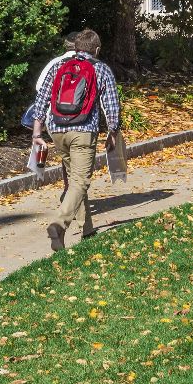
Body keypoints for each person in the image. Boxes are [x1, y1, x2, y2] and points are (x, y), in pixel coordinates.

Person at [31, 28, 121, 252]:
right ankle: (59, 224)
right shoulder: (101, 69)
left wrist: (36, 134)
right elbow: (111, 105)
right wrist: (113, 132)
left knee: (74, 181)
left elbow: (41, 100)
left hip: (57, 131)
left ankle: (87, 229)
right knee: (81, 181)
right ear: (97, 49)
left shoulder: (57, 66)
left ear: (75, 47)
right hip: (83, 132)